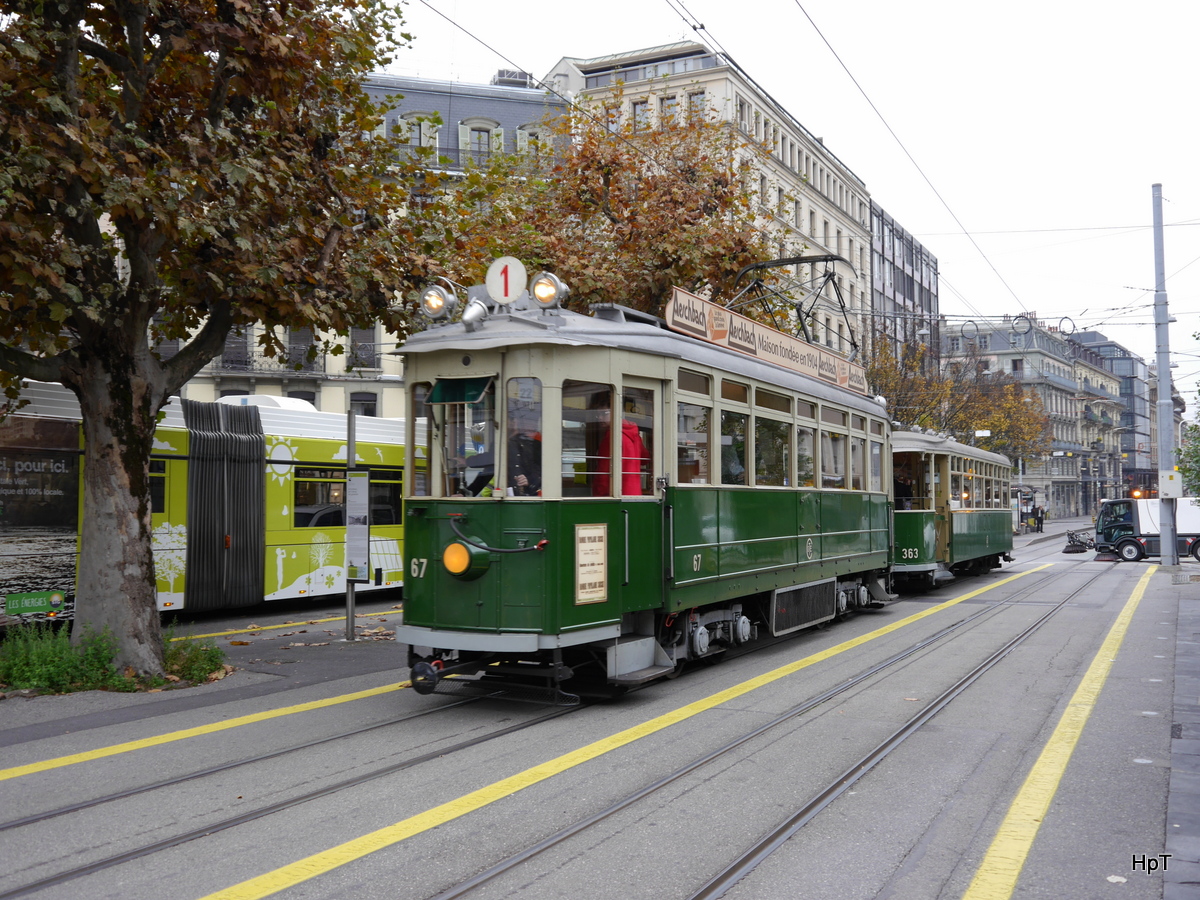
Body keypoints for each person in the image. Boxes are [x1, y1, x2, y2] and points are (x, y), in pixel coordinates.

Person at [593, 406, 648, 496]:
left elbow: (604, 468)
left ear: (616, 412)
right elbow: (645, 459)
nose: (599, 418)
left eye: (604, 414)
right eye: (597, 414)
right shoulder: (635, 435)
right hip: (634, 492)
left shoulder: (611, 436)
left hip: (615, 493)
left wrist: (599, 492)